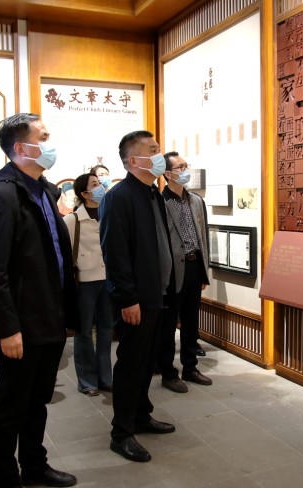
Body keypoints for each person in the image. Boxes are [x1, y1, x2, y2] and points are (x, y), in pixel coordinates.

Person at [0, 113, 78, 488]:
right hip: (21, 321)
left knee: (37, 400)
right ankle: (5, 484)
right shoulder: (1, 194)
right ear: (20, 148)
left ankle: (34, 463)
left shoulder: (42, 190)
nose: (50, 143)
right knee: (11, 406)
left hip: (49, 315)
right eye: (43, 137)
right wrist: (7, 327)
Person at [99, 130, 177, 464]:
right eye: (153, 150)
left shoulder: (152, 193)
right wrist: (127, 298)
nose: (160, 155)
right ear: (133, 160)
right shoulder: (118, 197)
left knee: (147, 362)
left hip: (157, 294)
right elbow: (114, 253)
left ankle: (142, 415)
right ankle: (122, 433)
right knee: (131, 364)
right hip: (136, 298)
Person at [157, 152, 212, 393]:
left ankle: (190, 367)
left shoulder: (196, 201)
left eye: (185, 165)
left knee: (191, 320)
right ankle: (168, 373)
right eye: (180, 167)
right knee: (168, 324)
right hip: (171, 271)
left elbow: (203, 237)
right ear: (168, 174)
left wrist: (203, 270)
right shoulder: (160, 202)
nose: (185, 170)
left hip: (194, 265)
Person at [63, 173, 112, 397]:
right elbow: (66, 254)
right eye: (94, 184)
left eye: (99, 183)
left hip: (107, 279)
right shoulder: (72, 220)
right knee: (83, 332)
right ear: (84, 193)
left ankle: (105, 377)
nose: (100, 187)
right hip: (84, 282)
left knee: (106, 329)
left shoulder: (107, 213)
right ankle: (87, 380)